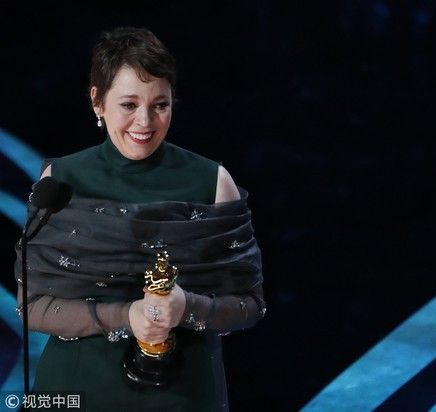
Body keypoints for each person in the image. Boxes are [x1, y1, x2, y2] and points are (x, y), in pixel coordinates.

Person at [14, 27, 265, 412]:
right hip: (76, 391)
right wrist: (126, 315)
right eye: (129, 105)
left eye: (160, 104)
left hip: (184, 395)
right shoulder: (60, 181)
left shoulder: (212, 181)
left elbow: (250, 305)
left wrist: (187, 307)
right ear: (97, 101)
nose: (145, 121)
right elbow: (30, 306)